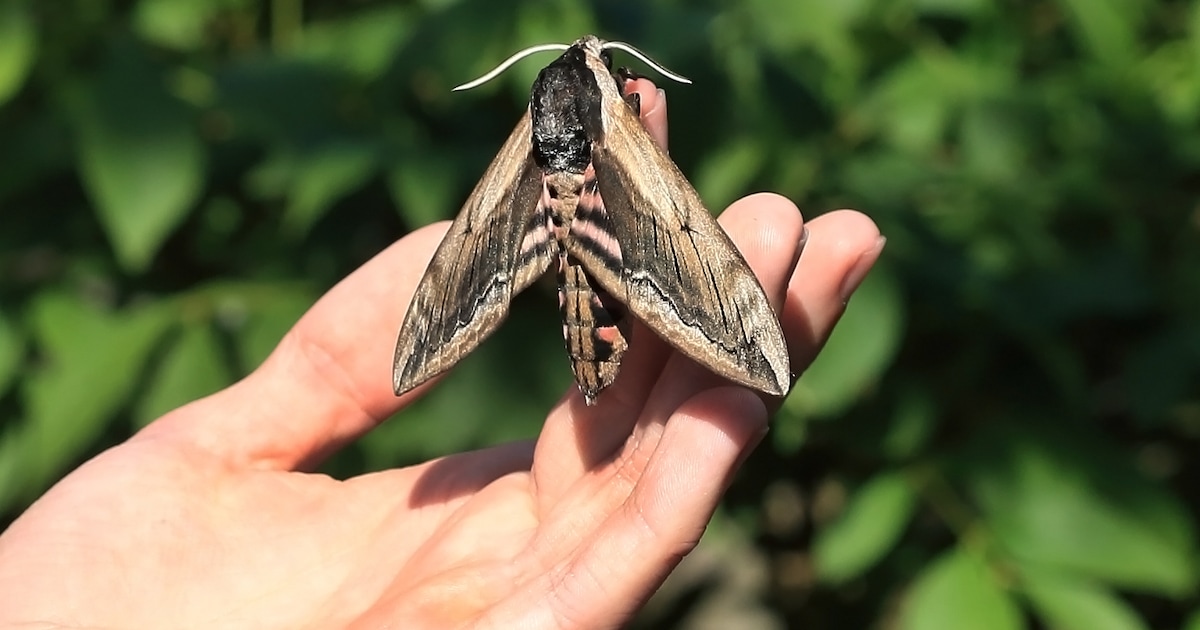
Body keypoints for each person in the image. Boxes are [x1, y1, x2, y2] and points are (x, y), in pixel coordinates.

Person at [0, 79, 883, 628]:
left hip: (560, 213)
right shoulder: (612, 113)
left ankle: (639, 339)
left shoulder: (530, 146)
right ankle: (680, 323)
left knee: (626, 302)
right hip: (629, 206)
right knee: (697, 278)